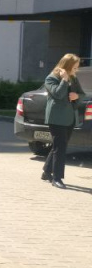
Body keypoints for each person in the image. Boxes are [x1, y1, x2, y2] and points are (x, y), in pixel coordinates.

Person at [41, 53, 84, 189]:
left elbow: (82, 94)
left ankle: (47, 172)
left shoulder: (73, 78)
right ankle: (57, 178)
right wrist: (64, 80)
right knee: (61, 148)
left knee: (57, 146)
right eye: (74, 68)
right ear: (67, 66)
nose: (76, 70)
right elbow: (58, 94)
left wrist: (76, 95)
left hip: (70, 118)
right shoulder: (51, 78)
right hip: (57, 118)